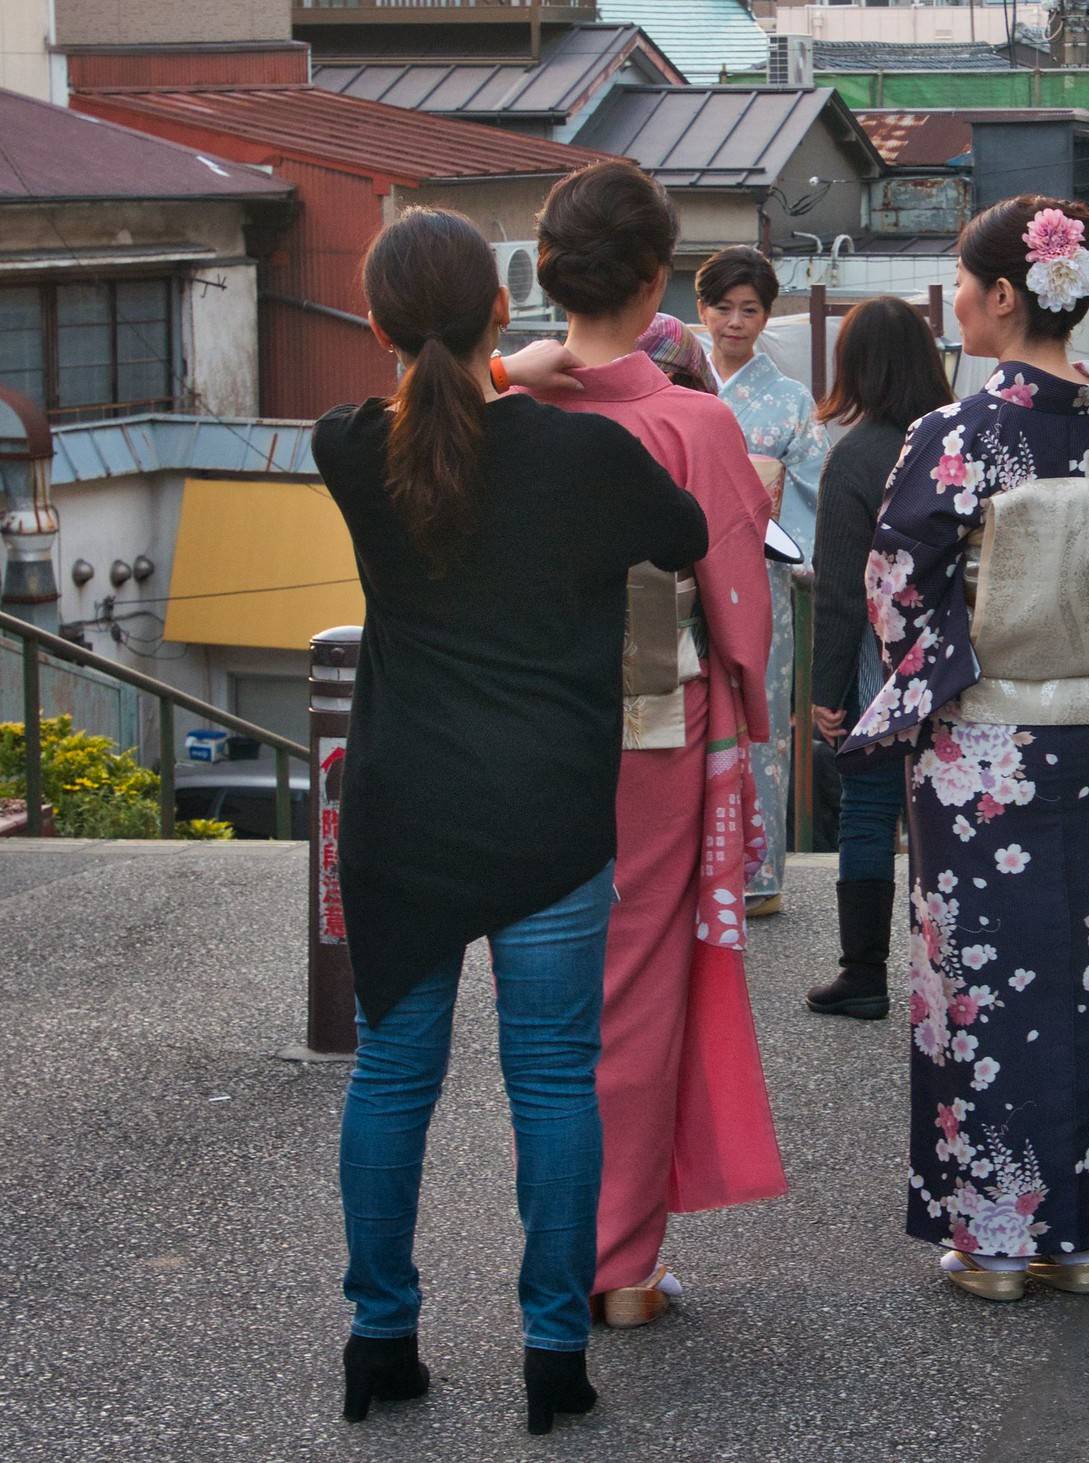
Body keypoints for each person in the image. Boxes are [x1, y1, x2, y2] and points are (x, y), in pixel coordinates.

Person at [314, 207, 709, 1434]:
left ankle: (381, 1335)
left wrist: (492, 375)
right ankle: (552, 1351)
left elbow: (420, 412)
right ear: (504, 305)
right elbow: (686, 536)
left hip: (403, 811)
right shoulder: (582, 461)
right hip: (548, 810)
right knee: (550, 1078)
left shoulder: (347, 449)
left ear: (374, 325)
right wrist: (530, 379)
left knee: (392, 1073)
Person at [838, 195, 1089, 1301]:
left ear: (1002, 295)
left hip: (983, 747)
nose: (952, 298)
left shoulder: (954, 435)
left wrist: (944, 679)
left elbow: (897, 588)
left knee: (984, 981)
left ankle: (992, 1239)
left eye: (959, 277)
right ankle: (1073, 1235)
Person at [519, 161, 786, 1332]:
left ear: (546, 274)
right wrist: (750, 706)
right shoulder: (690, 420)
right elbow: (738, 603)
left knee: (536, 997)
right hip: (648, 728)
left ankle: (555, 1247)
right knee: (629, 989)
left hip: (512, 726)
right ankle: (613, 1259)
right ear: (658, 280)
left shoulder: (497, 414)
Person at [805, 296, 955, 1020]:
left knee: (868, 811)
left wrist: (824, 691)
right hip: (958, 662)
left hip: (877, 663)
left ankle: (863, 973)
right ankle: (948, 969)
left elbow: (837, 592)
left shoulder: (855, 456)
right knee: (944, 815)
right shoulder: (951, 443)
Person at [696, 245, 830, 917]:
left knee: (762, 723)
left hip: (760, 576)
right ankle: (694, 870)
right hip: (684, 582)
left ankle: (758, 875)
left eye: (750, 310)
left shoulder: (789, 402)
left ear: (766, 315)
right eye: (723, 307)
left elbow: (810, 493)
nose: (735, 322)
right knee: (689, 716)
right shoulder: (681, 384)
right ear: (702, 310)